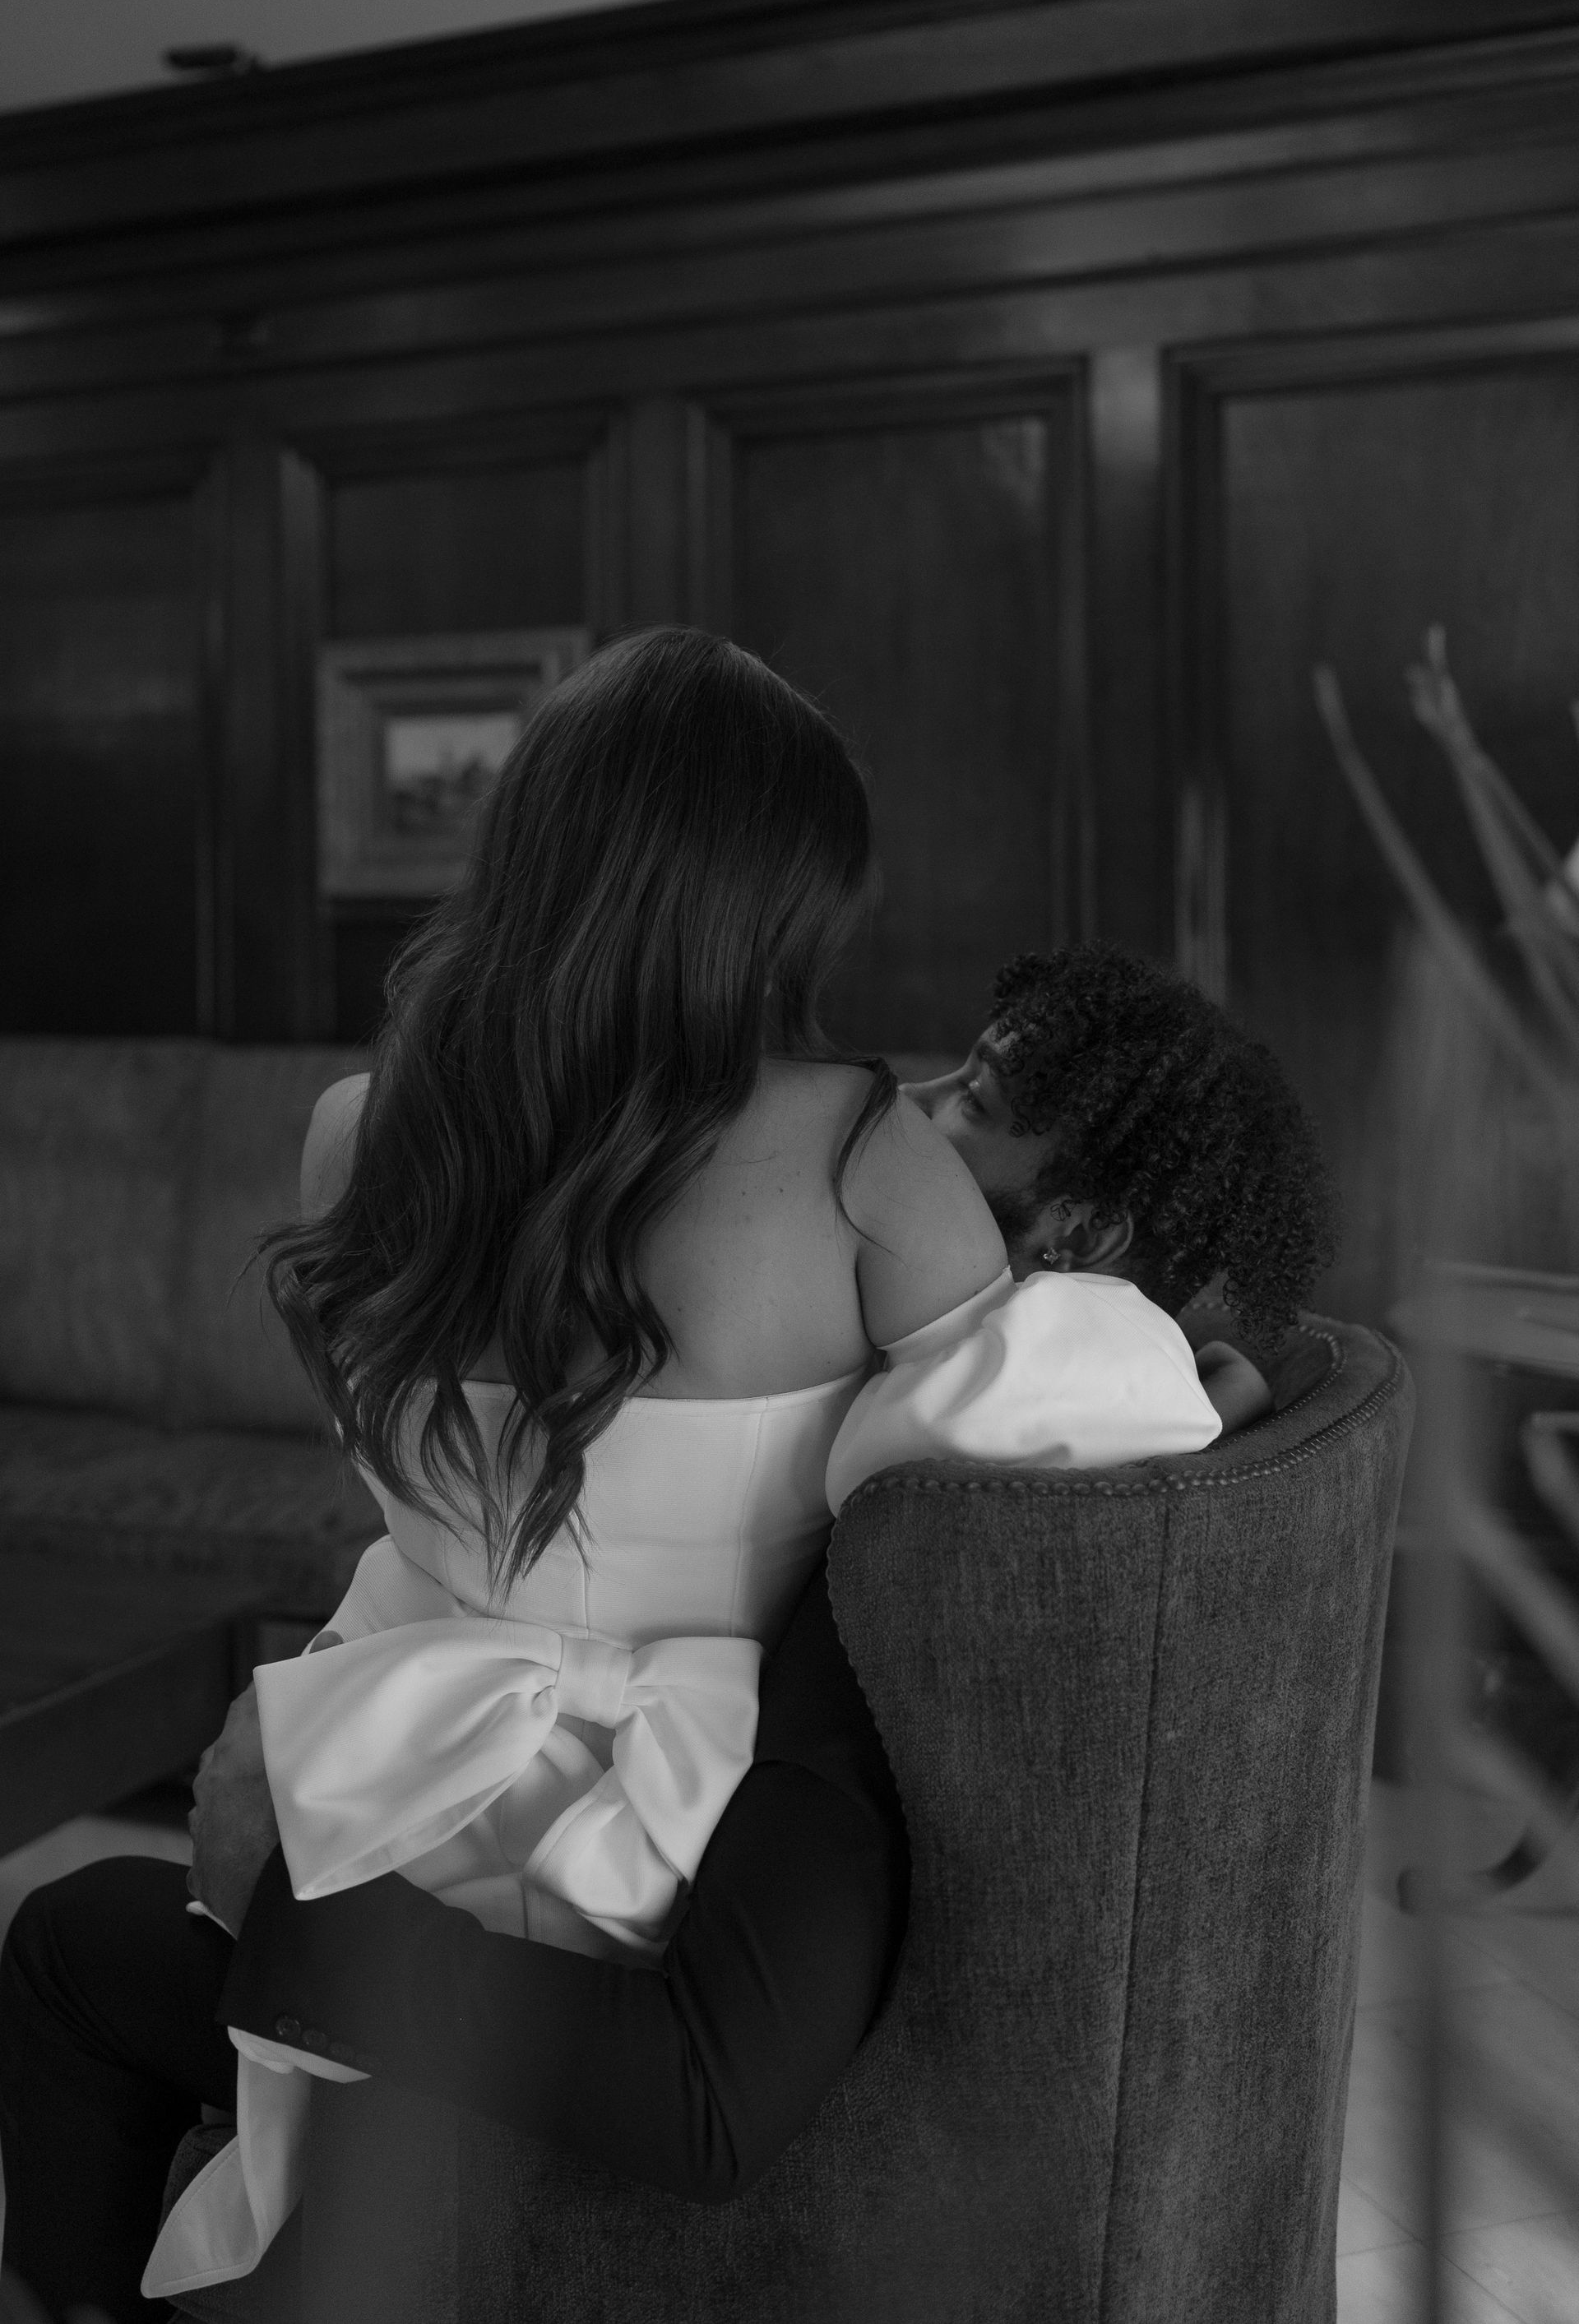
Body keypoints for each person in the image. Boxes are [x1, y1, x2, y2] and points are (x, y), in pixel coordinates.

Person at [0, 631, 1327, 2316]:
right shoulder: (859, 1161)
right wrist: (1214, 1368)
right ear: (768, 896)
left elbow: (386, 1476)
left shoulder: (350, 1139)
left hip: (385, 1799)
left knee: (71, 1956)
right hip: (695, 1848)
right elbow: (1051, 1413)